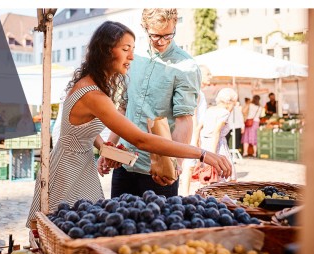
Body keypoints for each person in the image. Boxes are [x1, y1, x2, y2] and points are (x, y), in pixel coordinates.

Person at [25, 21, 231, 227]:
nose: (132, 56)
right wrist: (201, 153)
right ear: (106, 50)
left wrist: (105, 148)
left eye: (132, 49)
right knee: (68, 232)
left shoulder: (91, 84)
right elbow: (140, 139)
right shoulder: (93, 94)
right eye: (125, 49)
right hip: (69, 172)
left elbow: (80, 130)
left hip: (77, 166)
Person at [97, 9, 202, 198]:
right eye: (155, 36)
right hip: (125, 163)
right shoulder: (134, 58)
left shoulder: (186, 66)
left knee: (157, 227)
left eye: (168, 35)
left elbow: (184, 120)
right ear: (144, 29)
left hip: (159, 171)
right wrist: (109, 149)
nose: (162, 41)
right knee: (118, 224)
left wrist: (175, 165)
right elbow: (123, 109)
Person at [179, 64, 212, 195]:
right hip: (192, 133)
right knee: (189, 166)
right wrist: (195, 139)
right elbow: (193, 116)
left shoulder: (198, 92)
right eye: (208, 74)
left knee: (189, 166)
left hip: (193, 132)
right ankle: (185, 194)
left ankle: (184, 193)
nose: (210, 77)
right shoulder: (196, 92)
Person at [195, 88, 238, 182]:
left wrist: (197, 144)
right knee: (227, 176)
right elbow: (216, 132)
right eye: (234, 103)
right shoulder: (224, 113)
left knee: (209, 177)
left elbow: (198, 128)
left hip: (204, 144)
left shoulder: (209, 110)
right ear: (229, 102)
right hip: (217, 145)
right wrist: (213, 154)